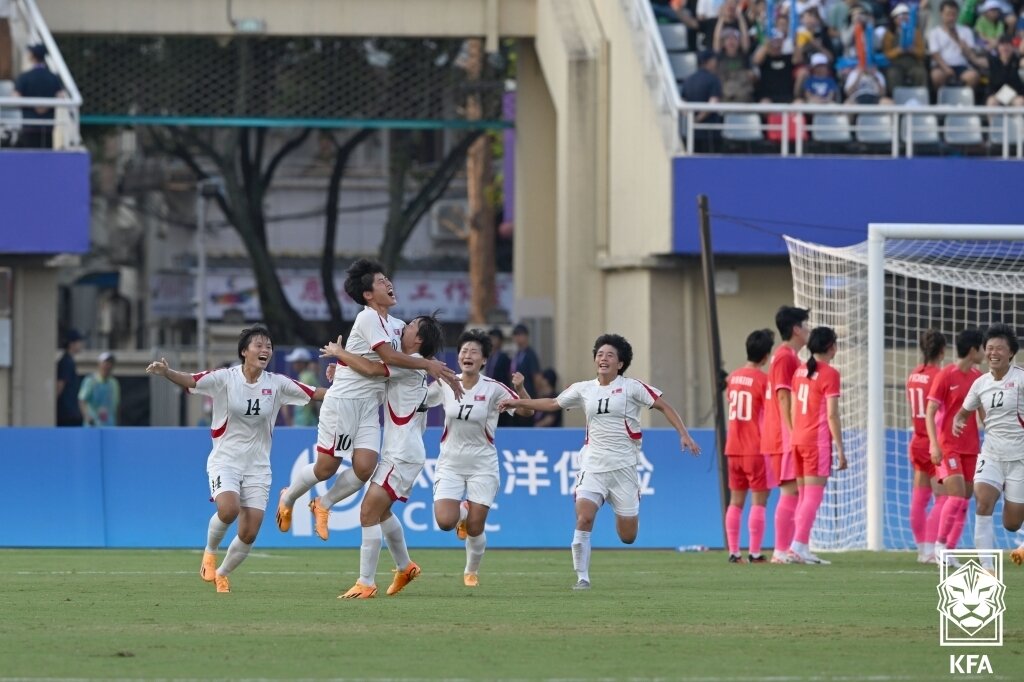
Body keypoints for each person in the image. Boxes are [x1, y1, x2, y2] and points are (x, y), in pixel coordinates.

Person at [276, 259, 460, 541]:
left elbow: (413, 353)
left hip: (369, 405)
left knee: (365, 468)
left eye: (388, 279)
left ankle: (323, 504)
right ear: (368, 294)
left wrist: (441, 370)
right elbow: (386, 359)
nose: (389, 283)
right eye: (381, 281)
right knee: (326, 468)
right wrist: (426, 365)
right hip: (345, 401)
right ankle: (288, 497)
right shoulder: (368, 318)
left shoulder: (397, 325)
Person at [499, 333, 700, 589]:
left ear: (620, 363)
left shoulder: (632, 387)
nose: (603, 359)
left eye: (610, 355)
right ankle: (582, 577)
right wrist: (517, 401)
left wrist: (683, 434)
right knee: (584, 517)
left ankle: (628, 503)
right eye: (600, 354)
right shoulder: (584, 389)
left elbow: (664, 406)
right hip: (593, 465)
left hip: (624, 469)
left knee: (627, 536)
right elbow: (552, 403)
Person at [146, 325, 327, 592]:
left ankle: (222, 574)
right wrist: (167, 372)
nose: (265, 350)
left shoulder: (277, 383)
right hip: (225, 460)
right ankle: (209, 553)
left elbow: (314, 393)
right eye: (259, 345)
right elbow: (192, 380)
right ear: (244, 351)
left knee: (249, 532)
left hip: (258, 467)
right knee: (229, 509)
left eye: (268, 346)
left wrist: (350, 389)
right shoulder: (225, 378)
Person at [319, 314, 446, 598]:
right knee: (382, 512)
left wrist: (340, 353)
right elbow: (369, 377)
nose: (405, 327)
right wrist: (342, 372)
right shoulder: (412, 365)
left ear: (418, 339)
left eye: (411, 326)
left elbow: (371, 369)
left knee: (368, 513)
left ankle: (366, 582)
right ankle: (405, 566)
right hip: (401, 452)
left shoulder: (409, 366)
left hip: (401, 455)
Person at [428, 329, 533, 587]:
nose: (468, 355)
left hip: (482, 465)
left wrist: (520, 389)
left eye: (474, 351)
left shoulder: (494, 389)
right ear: (458, 357)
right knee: (445, 522)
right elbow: (417, 400)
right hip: (450, 463)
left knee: (475, 528)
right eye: (464, 351)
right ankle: (463, 512)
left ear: (484, 359)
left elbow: (527, 412)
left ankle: (471, 571)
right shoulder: (445, 382)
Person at [951, 325, 1024, 571]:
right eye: (989, 348)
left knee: (1012, 524)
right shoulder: (980, 383)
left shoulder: (1021, 379)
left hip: (1019, 459)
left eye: (999, 348)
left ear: (1011, 352)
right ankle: (987, 568)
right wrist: (958, 421)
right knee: (982, 501)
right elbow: (963, 412)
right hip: (991, 455)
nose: (993, 353)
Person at [789, 326, 848, 564]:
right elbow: (832, 415)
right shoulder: (830, 374)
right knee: (812, 498)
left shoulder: (799, 371)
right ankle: (797, 546)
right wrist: (840, 449)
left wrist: (796, 435)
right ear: (831, 347)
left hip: (798, 439)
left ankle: (801, 547)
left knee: (804, 497)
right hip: (816, 442)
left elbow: (794, 409)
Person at [926, 328, 983, 565]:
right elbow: (930, 412)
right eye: (982, 348)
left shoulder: (978, 378)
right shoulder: (945, 375)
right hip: (948, 446)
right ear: (973, 350)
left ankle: (949, 550)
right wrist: (934, 444)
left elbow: (983, 414)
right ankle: (939, 545)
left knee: (965, 501)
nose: (984, 353)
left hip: (971, 447)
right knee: (957, 497)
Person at [763, 306, 811, 564]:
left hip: (785, 433)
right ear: (796, 329)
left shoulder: (788, 356)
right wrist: (793, 434)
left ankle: (793, 549)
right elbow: (783, 397)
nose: (808, 329)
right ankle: (781, 551)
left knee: (796, 492)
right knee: (790, 491)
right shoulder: (785, 357)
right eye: (805, 324)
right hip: (783, 435)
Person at [724, 329, 774, 564]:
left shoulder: (733, 378)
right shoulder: (764, 381)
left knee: (735, 501)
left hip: (733, 447)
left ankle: (734, 553)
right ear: (766, 356)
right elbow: (771, 413)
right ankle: (754, 553)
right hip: (755, 448)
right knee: (759, 501)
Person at [905, 329, 947, 564]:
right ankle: (931, 549)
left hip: (917, 440)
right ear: (942, 351)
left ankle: (922, 549)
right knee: (944, 497)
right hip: (934, 442)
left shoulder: (914, 375)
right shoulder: (939, 376)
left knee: (919, 498)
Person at [13, 43, 65, 148]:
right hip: (47, 126)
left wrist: (33, 106)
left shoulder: (24, 77)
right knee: (46, 154)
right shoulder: (53, 77)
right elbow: (61, 97)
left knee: (28, 155)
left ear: (33, 56)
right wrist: (45, 106)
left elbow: (16, 99)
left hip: (29, 126)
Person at [927, 0, 983, 89]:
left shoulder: (966, 31)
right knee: (936, 76)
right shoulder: (934, 33)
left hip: (961, 66)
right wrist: (946, 68)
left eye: (954, 14)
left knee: (973, 76)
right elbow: (935, 54)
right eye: (948, 14)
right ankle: (940, 96)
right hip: (942, 66)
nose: (951, 18)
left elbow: (970, 54)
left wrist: (957, 39)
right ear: (941, 14)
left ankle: (964, 96)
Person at [509, 323, 541, 426]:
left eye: (520, 335)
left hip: (528, 396)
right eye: (515, 335)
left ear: (526, 336)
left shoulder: (530, 354)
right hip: (516, 398)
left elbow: (537, 378)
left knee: (526, 424)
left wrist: (536, 399)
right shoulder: (517, 354)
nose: (517, 338)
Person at [79, 351, 120, 427]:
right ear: (99, 364)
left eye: (110, 363)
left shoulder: (114, 383)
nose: (107, 366)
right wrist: (87, 417)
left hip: (109, 426)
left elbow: (115, 405)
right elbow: (82, 400)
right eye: (105, 363)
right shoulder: (90, 381)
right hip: (92, 427)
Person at [283, 347, 319, 427]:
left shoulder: (306, 378)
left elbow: (312, 402)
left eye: (295, 362)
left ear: (301, 363)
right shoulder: (306, 376)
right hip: (304, 422)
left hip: (306, 423)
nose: (293, 365)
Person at [485, 327, 514, 426]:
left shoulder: (504, 357)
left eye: (494, 338)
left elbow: (508, 376)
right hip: (490, 393)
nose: (492, 341)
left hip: (501, 393)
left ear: (500, 341)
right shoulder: (489, 357)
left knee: (502, 419)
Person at [56, 329, 84, 426]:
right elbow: (60, 384)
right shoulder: (66, 362)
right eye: (79, 342)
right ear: (71, 344)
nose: (81, 345)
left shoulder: (69, 361)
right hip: (66, 413)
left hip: (71, 412)